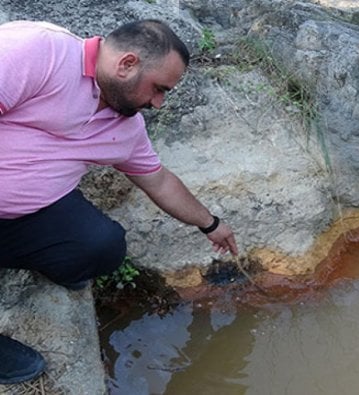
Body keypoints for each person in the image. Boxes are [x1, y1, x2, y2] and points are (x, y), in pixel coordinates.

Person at [0, 19, 238, 384]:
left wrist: (211, 224)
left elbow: (158, 180)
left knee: (102, 246)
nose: (157, 103)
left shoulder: (124, 125)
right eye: (158, 89)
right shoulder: (39, 51)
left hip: (26, 217)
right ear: (126, 64)